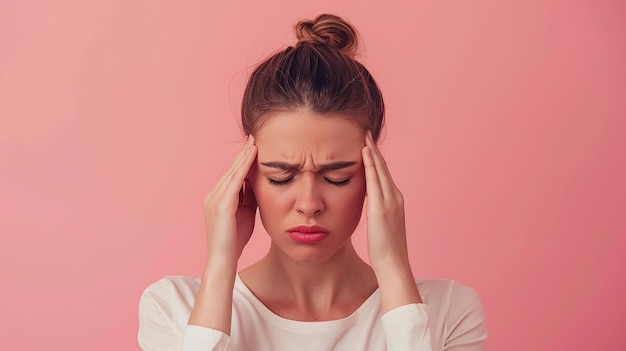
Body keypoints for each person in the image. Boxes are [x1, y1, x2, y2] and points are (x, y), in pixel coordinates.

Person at [138, 14, 487, 351]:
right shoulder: (175, 309)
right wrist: (219, 267)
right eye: (281, 177)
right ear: (246, 178)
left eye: (338, 177)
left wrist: (395, 272)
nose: (308, 203)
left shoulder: (446, 312)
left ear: (372, 176)